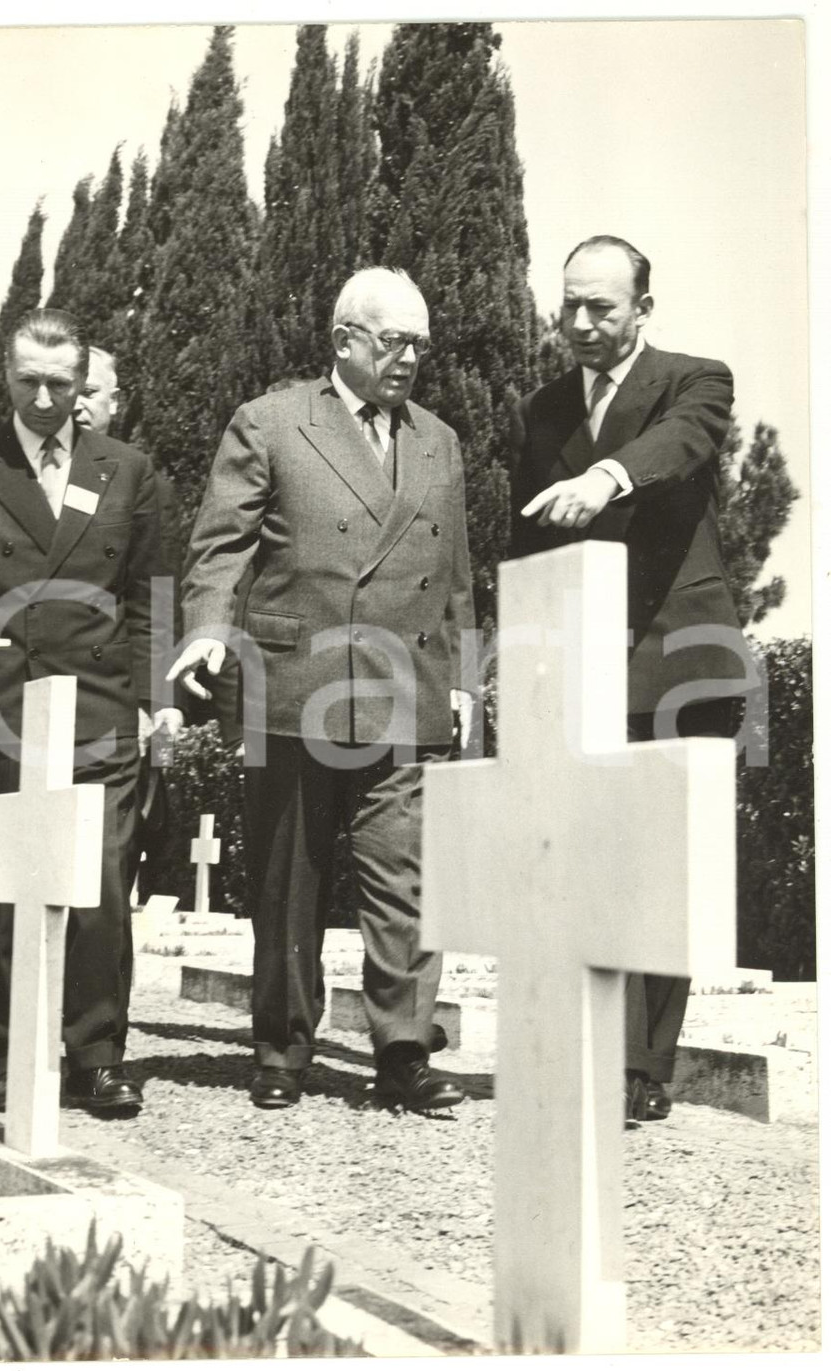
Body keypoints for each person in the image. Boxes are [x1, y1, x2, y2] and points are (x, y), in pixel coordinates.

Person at [169, 267, 475, 1112]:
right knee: (286, 885)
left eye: (420, 345)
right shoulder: (270, 422)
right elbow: (219, 548)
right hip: (296, 683)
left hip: (407, 689)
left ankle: (404, 1051)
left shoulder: (439, 440)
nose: (409, 359)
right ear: (344, 340)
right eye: (394, 341)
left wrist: (463, 678)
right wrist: (206, 629)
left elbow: (455, 574)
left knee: (405, 883)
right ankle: (282, 1050)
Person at [510, 235, 750, 1125]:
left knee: (666, 865)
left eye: (600, 307)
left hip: (682, 656)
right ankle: (601, 1050)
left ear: (642, 309)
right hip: (586, 661)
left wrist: (605, 477)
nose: (579, 323)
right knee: (597, 860)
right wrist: (518, 657)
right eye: (568, 304)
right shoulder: (540, 411)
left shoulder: (696, 381)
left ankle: (645, 1066)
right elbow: (527, 539)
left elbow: (680, 446)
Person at [0, 308, 166, 1118]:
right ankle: (15, 1048)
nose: (46, 400)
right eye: (29, 382)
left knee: (101, 884)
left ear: (84, 381)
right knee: (6, 886)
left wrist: (154, 702)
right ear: (6, 376)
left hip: (100, 706)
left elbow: (149, 597)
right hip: (0, 708)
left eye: (62, 384)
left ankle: (97, 1056)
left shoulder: (127, 470)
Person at [74, 345, 185, 904]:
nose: (75, 403)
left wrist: (155, 698)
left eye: (90, 392)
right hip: (21, 692)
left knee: (106, 859)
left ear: (115, 403)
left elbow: (154, 595)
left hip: (109, 694)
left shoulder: (141, 482)